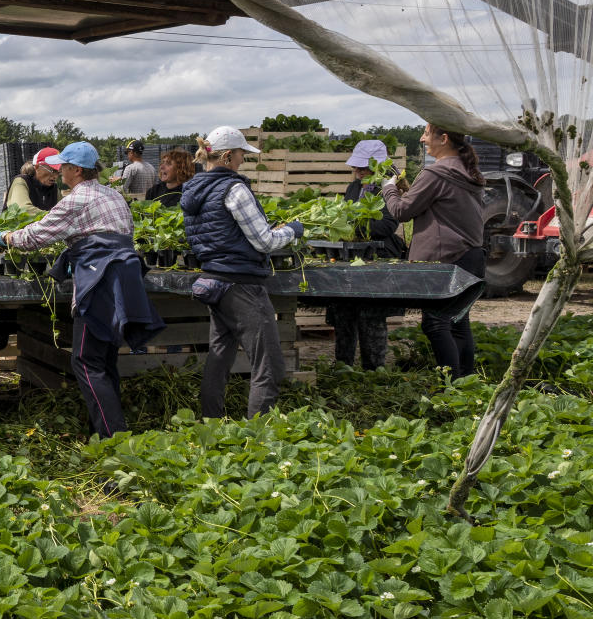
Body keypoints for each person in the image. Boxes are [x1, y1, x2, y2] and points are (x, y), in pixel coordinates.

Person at [0, 142, 162, 438]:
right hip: (123, 277)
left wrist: (5, 236)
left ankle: (114, 438)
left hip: (99, 281)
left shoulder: (76, 200)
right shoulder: (113, 196)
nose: (60, 170)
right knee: (104, 360)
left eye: (64, 166)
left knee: (85, 360)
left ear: (76, 170)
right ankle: (103, 431)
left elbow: (36, 235)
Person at [180, 126, 305, 418]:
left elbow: (219, 233)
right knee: (268, 364)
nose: (242, 161)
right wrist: (292, 231)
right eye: (240, 154)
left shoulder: (194, 190)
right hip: (241, 285)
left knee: (219, 358)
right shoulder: (233, 188)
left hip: (213, 279)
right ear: (226, 156)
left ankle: (210, 424)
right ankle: (258, 437)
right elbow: (264, 241)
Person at [381, 124, 488, 377]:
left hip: (445, 260)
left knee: (435, 324)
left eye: (427, 134)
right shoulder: (467, 171)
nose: (422, 138)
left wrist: (388, 187)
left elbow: (401, 212)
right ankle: (466, 384)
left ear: (444, 138)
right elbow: (444, 210)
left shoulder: (436, 173)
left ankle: (450, 386)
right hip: (470, 256)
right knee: (457, 323)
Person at [325, 140, 406, 370]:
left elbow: (387, 226)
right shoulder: (354, 187)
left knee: (371, 316)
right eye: (356, 167)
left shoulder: (387, 188)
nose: (357, 172)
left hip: (376, 258)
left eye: (362, 168)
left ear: (377, 166)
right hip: (350, 258)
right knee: (343, 313)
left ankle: (374, 369)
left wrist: (352, 227)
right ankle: (344, 367)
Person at [4, 146, 63, 211]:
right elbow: (23, 209)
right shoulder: (20, 181)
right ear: (37, 167)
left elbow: (63, 211)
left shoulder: (54, 189)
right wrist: (52, 217)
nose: (55, 176)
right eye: (53, 171)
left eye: (58, 172)